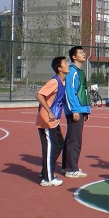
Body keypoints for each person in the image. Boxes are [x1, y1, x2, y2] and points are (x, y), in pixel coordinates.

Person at [36, 56, 69, 187]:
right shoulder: (54, 82)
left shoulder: (63, 82)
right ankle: (47, 179)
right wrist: (49, 111)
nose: (68, 64)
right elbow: (39, 95)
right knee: (50, 147)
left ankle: (46, 171)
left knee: (59, 143)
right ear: (59, 68)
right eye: (65, 63)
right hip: (47, 120)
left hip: (54, 120)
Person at [62, 46, 91, 178]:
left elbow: (83, 91)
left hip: (80, 109)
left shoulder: (80, 71)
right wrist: (75, 110)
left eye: (83, 52)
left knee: (71, 138)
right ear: (74, 57)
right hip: (75, 110)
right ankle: (71, 169)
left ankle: (66, 166)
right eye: (80, 52)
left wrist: (86, 109)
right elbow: (70, 92)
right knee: (74, 140)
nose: (84, 54)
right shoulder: (72, 71)